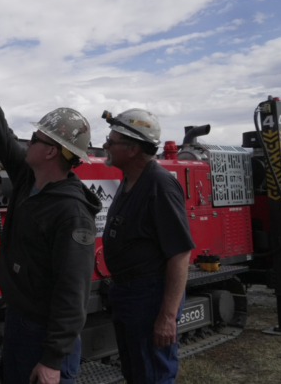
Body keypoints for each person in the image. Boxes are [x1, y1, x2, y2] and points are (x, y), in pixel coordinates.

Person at [0, 54, 101, 384]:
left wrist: (52, 360)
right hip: (20, 322)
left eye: (36, 138)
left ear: (52, 151)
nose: (29, 141)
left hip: (45, 337)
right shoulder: (28, 177)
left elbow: (72, 293)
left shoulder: (72, 214)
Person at [101, 108, 195, 383]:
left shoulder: (159, 185)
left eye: (112, 140)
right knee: (136, 373)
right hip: (128, 294)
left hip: (149, 297)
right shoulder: (131, 180)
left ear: (131, 149)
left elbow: (179, 254)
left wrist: (167, 316)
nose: (105, 145)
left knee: (152, 375)